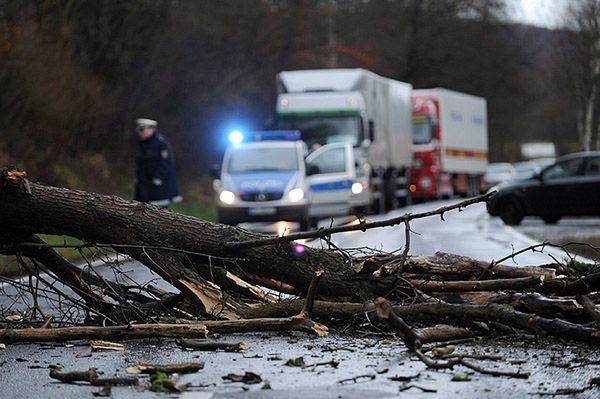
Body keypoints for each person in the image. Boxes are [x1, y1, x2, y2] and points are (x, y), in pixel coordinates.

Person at [134, 118, 182, 208]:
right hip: (144, 188)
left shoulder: (161, 143)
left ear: (151, 129)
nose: (139, 133)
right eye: (139, 130)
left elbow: (166, 163)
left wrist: (158, 179)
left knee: (157, 214)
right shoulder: (143, 144)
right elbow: (142, 165)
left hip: (158, 189)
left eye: (142, 130)